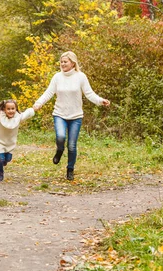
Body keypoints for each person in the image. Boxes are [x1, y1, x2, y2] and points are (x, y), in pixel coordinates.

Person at [33, 51, 110, 181]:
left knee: (72, 145)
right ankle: (59, 150)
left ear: (73, 63)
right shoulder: (57, 77)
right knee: (61, 136)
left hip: (76, 116)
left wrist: (100, 100)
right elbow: (49, 92)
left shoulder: (81, 77)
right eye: (61, 62)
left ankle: (70, 169)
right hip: (60, 114)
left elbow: (89, 93)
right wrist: (39, 103)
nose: (62, 64)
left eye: (65, 62)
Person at [0, 99, 35, 182]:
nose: (11, 111)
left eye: (13, 109)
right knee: (0, 159)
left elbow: (27, 113)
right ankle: (0, 174)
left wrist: (33, 109)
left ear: (16, 109)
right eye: (8, 109)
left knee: (7, 159)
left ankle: (4, 161)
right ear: (4, 109)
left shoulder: (19, 117)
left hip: (10, 142)